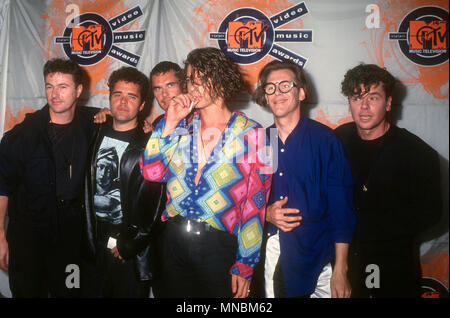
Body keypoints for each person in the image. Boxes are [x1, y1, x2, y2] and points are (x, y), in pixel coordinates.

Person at [140, 47, 273, 298]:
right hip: (171, 241)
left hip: (219, 246)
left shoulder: (256, 135)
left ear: (222, 79)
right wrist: (169, 123)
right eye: (190, 79)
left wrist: (246, 263)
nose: (193, 86)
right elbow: (151, 173)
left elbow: (255, 206)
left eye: (202, 78)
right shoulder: (178, 125)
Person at [335, 64, 442, 298]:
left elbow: (433, 211)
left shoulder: (417, 152)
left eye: (373, 97)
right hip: (342, 262)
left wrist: (381, 230)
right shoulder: (338, 139)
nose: (364, 107)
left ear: (389, 103)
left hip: (392, 265)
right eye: (356, 97)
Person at [253, 60, 356, 298]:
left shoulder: (326, 140)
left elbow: (342, 209)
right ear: (265, 97)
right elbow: (241, 201)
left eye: (285, 85)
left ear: (301, 92)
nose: (277, 93)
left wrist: (341, 269)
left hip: (321, 258)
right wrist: (265, 213)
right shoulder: (258, 142)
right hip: (277, 254)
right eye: (270, 87)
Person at [0, 58, 98, 297]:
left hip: (71, 240)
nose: (55, 94)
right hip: (28, 239)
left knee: (71, 292)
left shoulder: (92, 124)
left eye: (63, 86)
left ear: (78, 90)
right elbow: (2, 189)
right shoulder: (20, 136)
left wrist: (146, 125)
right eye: (49, 86)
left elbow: (124, 120)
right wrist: (0, 238)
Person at [82, 67, 166, 297]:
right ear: (109, 98)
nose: (122, 101)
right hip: (93, 243)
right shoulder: (94, 131)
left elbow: (157, 205)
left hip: (127, 248)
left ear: (142, 105)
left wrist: (131, 244)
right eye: (117, 94)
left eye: (132, 96)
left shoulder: (150, 145)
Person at [148, 61, 183, 128]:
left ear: (183, 85)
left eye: (170, 85)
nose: (164, 94)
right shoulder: (158, 124)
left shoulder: (199, 118)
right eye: (158, 89)